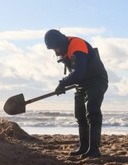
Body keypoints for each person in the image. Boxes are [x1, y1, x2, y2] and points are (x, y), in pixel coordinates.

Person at [44, 29, 109, 158]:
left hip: (97, 81)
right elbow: (76, 75)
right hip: (81, 85)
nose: (56, 52)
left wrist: (62, 83)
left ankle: (94, 150)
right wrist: (65, 83)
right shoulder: (64, 49)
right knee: (80, 115)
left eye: (56, 48)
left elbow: (79, 74)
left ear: (61, 42)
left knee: (92, 111)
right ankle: (84, 148)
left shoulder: (77, 45)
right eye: (53, 49)